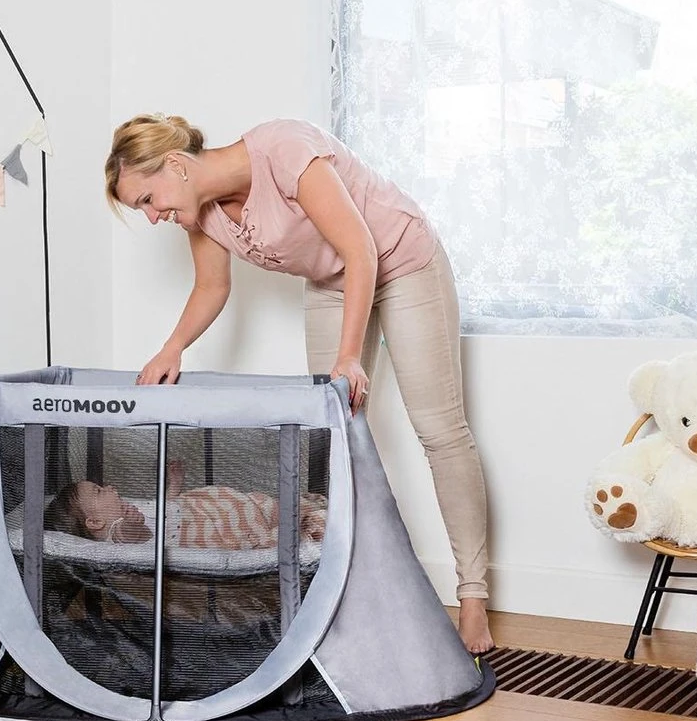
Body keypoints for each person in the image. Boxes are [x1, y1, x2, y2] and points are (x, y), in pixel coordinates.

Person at [104, 114, 492, 653]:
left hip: (399, 260)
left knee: (438, 428)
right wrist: (172, 348)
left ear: (175, 164)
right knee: (332, 431)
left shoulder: (283, 149)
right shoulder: (202, 215)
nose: (152, 217)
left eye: (148, 199)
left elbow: (360, 248)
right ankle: (359, 586)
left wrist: (350, 356)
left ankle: (473, 597)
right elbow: (212, 287)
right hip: (332, 281)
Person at [54, 466, 327, 550]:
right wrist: (130, 523)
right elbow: (130, 535)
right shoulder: (116, 534)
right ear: (95, 523)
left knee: (255, 505)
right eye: (99, 491)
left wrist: (174, 485)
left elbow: (164, 508)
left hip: (196, 511)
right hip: (196, 532)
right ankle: (298, 523)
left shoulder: (127, 508)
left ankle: (290, 511)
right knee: (248, 532)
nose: (110, 487)